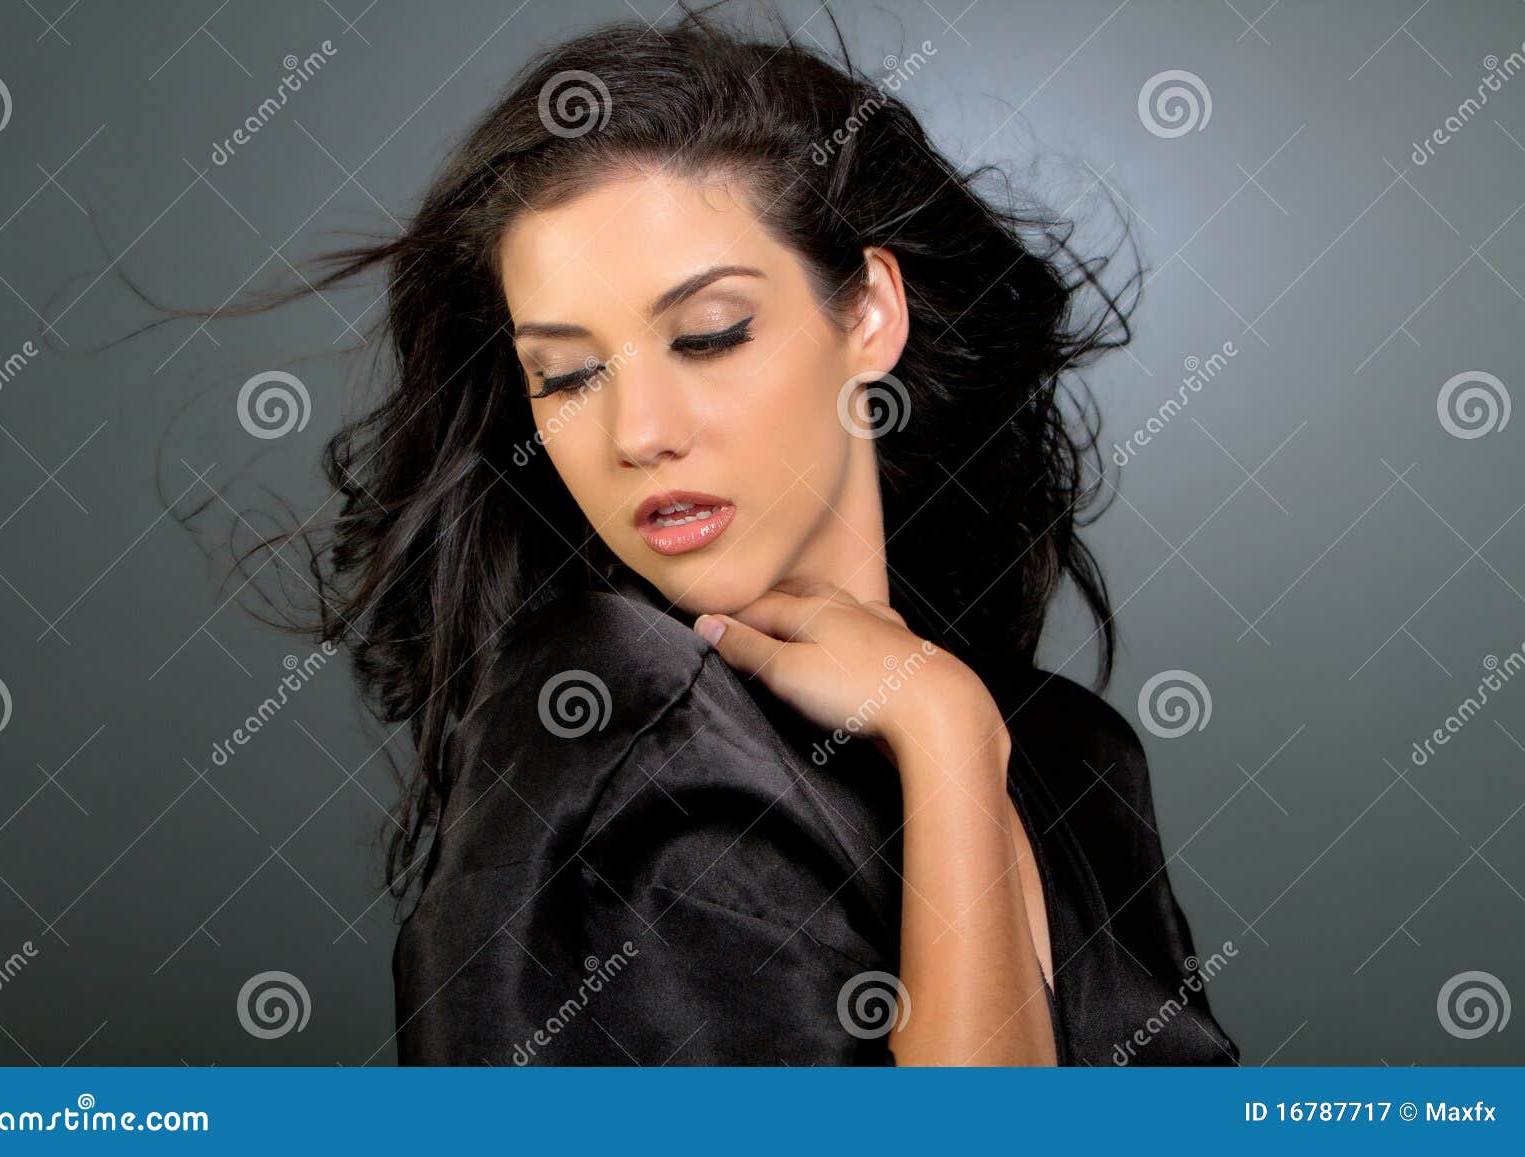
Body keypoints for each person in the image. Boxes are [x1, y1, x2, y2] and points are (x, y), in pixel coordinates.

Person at [219, 2, 1240, 1065]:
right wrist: (942, 737)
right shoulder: (610, 716)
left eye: (708, 336)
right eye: (565, 374)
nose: (641, 433)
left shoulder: (1071, 754)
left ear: (869, 314)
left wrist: (955, 733)